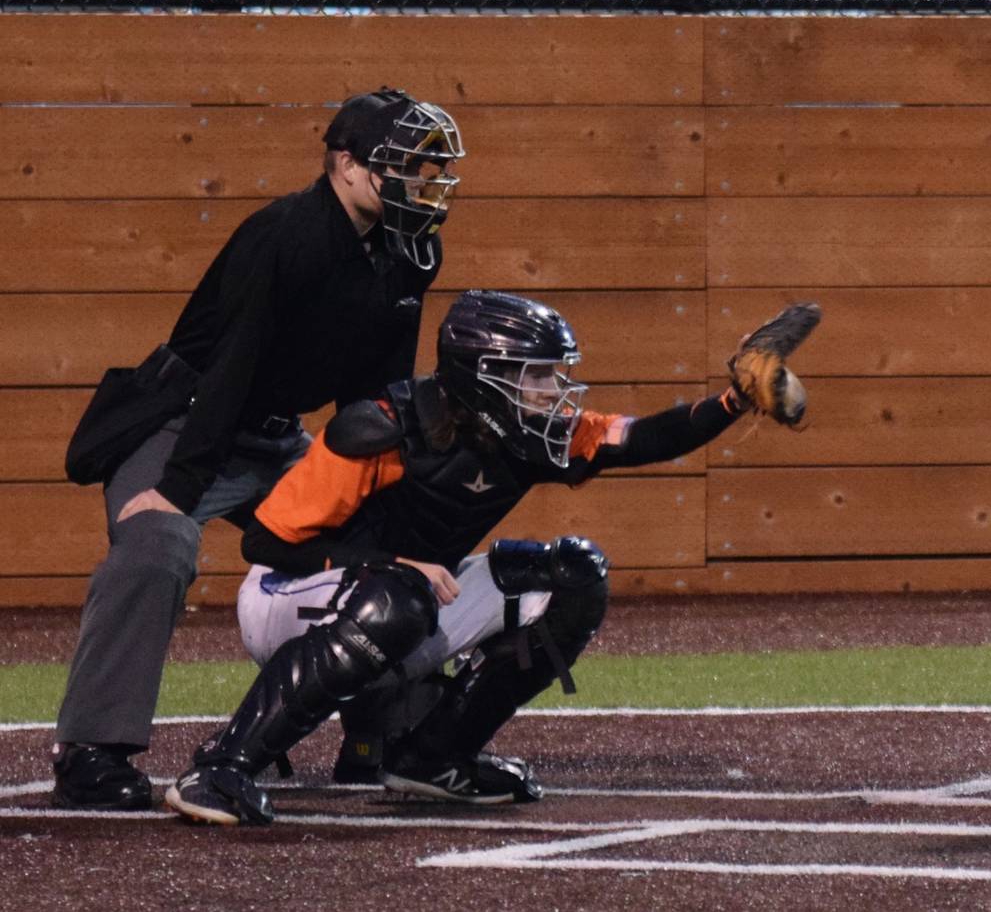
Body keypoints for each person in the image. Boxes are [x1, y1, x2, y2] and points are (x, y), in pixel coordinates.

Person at [163, 291, 816, 825]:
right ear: (486, 377)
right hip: (290, 597)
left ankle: (434, 758)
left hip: (406, 601)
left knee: (575, 575)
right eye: (536, 376)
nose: (552, 390)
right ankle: (221, 766)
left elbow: (637, 437)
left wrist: (734, 400)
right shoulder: (380, 427)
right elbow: (267, 541)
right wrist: (390, 560)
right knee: (400, 596)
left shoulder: (527, 434)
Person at [48, 90, 463, 811]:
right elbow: (230, 368)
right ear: (345, 164)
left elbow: (378, 391)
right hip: (187, 420)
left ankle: (380, 733)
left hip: (274, 436)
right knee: (158, 543)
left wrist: (378, 486)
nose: (419, 182)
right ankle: (90, 749)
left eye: (426, 167)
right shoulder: (283, 235)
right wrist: (178, 488)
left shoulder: (410, 249)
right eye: (402, 165)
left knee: (391, 537)